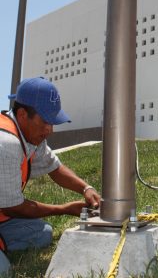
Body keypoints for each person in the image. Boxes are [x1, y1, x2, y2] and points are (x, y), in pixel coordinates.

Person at [0, 77, 101, 274]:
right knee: (3, 270)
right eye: (45, 121)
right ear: (22, 114)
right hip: (8, 210)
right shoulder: (6, 144)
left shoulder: (30, 136)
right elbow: (13, 207)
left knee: (42, 233)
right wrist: (64, 208)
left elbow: (54, 167)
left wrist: (86, 188)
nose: (50, 130)